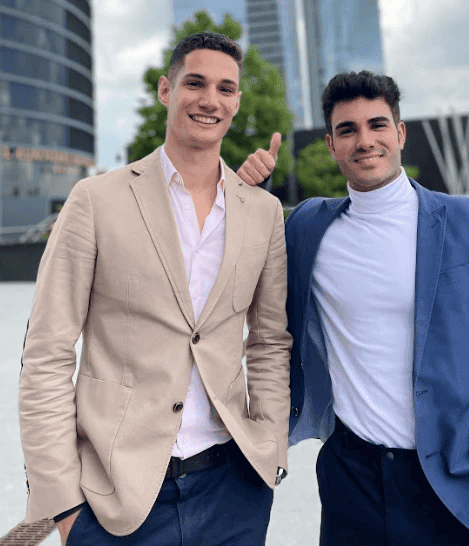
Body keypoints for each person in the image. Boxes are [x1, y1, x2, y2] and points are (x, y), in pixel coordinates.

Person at [239, 71, 469, 546]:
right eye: (347, 130)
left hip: (461, 482)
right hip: (353, 484)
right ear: (331, 145)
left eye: (377, 124)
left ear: (400, 133)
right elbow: (239, 277)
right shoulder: (306, 227)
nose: (364, 141)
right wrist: (243, 196)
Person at [19, 32, 291, 546]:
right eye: (195, 83)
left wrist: (270, 445)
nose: (210, 100)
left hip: (234, 492)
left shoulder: (264, 213)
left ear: (236, 101)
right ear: (166, 90)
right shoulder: (95, 199)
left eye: (225, 89)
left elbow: (270, 342)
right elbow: (47, 352)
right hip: (114, 501)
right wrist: (62, 504)